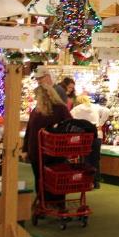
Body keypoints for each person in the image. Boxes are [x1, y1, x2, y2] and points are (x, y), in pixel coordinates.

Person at [23, 67, 72, 207]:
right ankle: (54, 203)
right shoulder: (57, 109)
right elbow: (70, 125)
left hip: (40, 151)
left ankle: (44, 202)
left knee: (41, 178)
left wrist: (25, 149)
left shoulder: (38, 111)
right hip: (53, 151)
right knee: (55, 178)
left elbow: (29, 131)